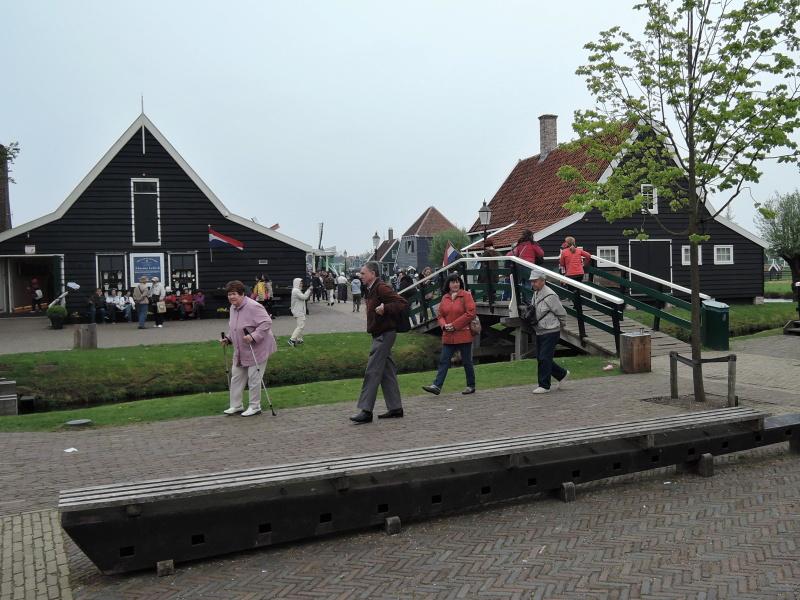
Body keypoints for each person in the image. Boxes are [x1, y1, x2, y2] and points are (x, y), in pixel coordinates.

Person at [350, 261, 409, 424]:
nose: (360, 276)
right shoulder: (370, 289)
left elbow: (402, 303)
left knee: (372, 370)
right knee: (386, 371)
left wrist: (385, 308)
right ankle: (396, 408)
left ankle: (366, 411)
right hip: (379, 333)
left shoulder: (381, 287)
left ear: (373, 274)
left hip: (385, 335)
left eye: (363, 273)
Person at [220, 280, 277, 417]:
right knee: (236, 377)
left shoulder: (253, 306)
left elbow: (266, 322)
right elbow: (234, 327)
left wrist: (254, 336)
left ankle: (255, 406)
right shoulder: (233, 308)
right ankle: (236, 405)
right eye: (229, 294)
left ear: (242, 294)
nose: (231, 297)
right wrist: (228, 338)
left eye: (234, 294)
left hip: (257, 348)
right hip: (241, 349)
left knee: (254, 378)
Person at [422, 274, 477, 396]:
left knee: (467, 361)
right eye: (452, 282)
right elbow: (440, 315)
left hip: (463, 334)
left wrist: (454, 325)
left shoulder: (466, 295)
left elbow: (471, 313)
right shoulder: (445, 298)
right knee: (444, 361)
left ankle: (471, 385)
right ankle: (437, 386)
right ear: (448, 284)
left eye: (457, 282)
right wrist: (443, 325)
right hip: (448, 335)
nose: (455, 284)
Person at [529, 273, 569, 394]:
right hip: (540, 330)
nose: (532, 283)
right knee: (541, 358)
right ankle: (562, 374)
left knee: (544, 358)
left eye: (535, 281)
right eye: (532, 281)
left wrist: (562, 324)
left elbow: (561, 312)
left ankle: (544, 385)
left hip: (551, 330)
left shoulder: (550, 295)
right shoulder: (536, 293)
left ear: (542, 281)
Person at [559, 236, 593, 303]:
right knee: (577, 290)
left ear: (567, 243)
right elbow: (588, 256)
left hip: (570, 274)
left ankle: (575, 305)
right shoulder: (578, 250)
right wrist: (584, 264)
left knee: (571, 291)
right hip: (580, 273)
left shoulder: (564, 252)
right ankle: (578, 305)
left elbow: (562, 264)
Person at [288, 277, 312, 346]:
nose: (301, 284)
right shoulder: (296, 290)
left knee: (300, 325)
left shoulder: (296, 290)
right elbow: (304, 297)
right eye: (300, 283)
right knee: (301, 326)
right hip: (298, 311)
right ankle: (291, 340)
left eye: (302, 283)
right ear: (296, 283)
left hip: (298, 310)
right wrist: (309, 290)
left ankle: (299, 339)